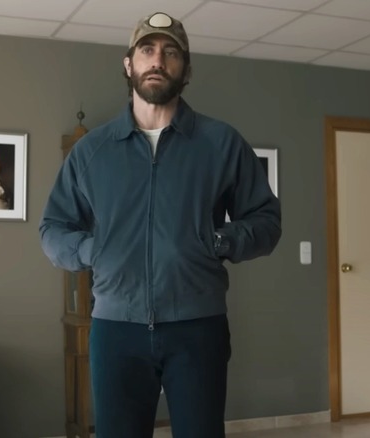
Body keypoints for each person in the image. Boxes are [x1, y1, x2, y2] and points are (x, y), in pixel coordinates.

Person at [39, 11, 281, 438]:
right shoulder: (93, 150)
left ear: (186, 70)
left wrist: (221, 240)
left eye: (171, 53)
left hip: (198, 326)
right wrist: (92, 251)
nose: (158, 60)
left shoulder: (220, 143)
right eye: (147, 50)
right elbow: (53, 228)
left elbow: (266, 221)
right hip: (116, 329)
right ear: (128, 64)